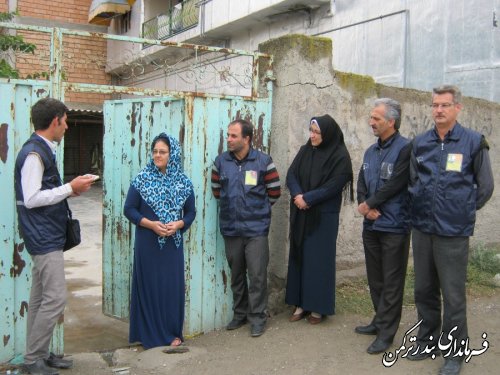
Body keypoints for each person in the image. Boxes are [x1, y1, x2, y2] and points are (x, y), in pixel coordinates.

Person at [407, 85, 494, 375]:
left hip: (453, 233)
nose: (439, 110)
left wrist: (462, 212)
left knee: (453, 294)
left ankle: (455, 351)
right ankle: (428, 340)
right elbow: (413, 181)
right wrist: (420, 206)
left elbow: (486, 187)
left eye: (445, 105)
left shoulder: (472, 142)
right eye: (435, 105)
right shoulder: (420, 143)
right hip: (422, 229)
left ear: (458, 107)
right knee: (424, 289)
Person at [14, 98, 94, 375]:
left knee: (39, 299)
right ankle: (33, 360)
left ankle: (39, 354)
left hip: (46, 233)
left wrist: (70, 188)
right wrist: (69, 188)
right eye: (65, 120)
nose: (67, 126)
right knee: (56, 298)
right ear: (54, 122)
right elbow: (32, 198)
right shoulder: (34, 154)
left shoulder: (42, 150)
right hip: (43, 236)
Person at [124, 133, 196, 349]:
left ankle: (172, 332)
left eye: (162, 151)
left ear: (172, 154)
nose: (157, 155)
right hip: (148, 243)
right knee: (149, 288)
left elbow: (191, 212)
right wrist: (151, 224)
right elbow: (129, 209)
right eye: (155, 151)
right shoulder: (142, 179)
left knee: (170, 289)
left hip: (172, 246)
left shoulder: (183, 182)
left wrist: (179, 224)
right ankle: (151, 336)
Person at [211, 119, 281, 337]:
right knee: (237, 276)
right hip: (231, 229)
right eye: (228, 136)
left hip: (256, 231)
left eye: (233, 136)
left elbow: (275, 192)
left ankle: (258, 318)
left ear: (247, 139)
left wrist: (255, 211)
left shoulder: (263, 162)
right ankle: (240, 315)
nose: (229, 140)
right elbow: (216, 191)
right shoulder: (221, 162)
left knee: (257, 276)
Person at [285, 114, 353, 325]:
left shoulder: (340, 156)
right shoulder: (306, 150)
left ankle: (317, 307)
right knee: (300, 257)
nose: (312, 136)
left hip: (323, 216)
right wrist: (298, 195)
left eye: (317, 132)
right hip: (301, 212)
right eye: (311, 131)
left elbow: (335, 185)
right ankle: (300, 303)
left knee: (318, 261)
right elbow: (291, 174)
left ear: (328, 134)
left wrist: (308, 198)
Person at [355, 99, 411, 354]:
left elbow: (397, 183)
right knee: (375, 279)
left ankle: (387, 333)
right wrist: (363, 204)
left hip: (394, 225)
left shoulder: (405, 149)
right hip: (372, 226)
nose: (371, 122)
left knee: (391, 281)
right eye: (371, 117)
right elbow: (362, 180)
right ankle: (379, 321)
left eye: (376, 118)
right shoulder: (370, 151)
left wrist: (370, 204)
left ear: (391, 121)